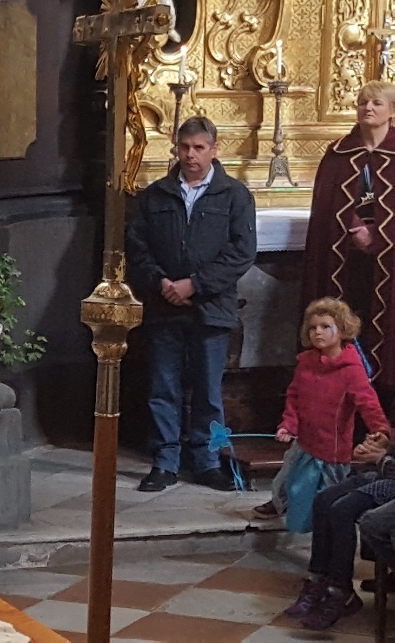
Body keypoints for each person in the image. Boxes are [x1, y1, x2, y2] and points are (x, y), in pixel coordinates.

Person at [127, 115, 257, 492]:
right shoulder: (156, 196)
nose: (191, 155)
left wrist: (195, 285)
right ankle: (165, 461)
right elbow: (137, 248)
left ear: (214, 150)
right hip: (164, 306)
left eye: (199, 148)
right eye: (184, 147)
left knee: (209, 392)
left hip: (211, 308)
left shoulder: (234, 195)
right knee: (163, 388)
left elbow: (241, 252)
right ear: (175, 149)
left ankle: (208, 460)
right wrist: (161, 283)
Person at [252, 298, 389, 529]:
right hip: (305, 440)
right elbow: (294, 396)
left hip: (331, 448)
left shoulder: (352, 370)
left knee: (327, 492)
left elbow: (369, 403)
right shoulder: (306, 363)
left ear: (342, 329)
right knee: (287, 475)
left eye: (325, 326)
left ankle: (325, 529)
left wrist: (380, 429)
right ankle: (279, 503)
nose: (318, 332)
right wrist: (288, 425)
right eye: (313, 327)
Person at [303, 80, 395, 412]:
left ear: (392, 111)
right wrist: (352, 227)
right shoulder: (338, 154)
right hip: (343, 262)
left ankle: (383, 411)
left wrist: (379, 235)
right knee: (344, 323)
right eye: (362, 102)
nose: (368, 108)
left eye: (376, 103)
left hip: (389, 266)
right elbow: (325, 209)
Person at [284, 433, 395, 630]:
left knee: (342, 510)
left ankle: (341, 590)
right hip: (383, 471)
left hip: (391, 479)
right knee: (323, 500)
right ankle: (318, 580)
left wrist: (381, 458)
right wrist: (381, 445)